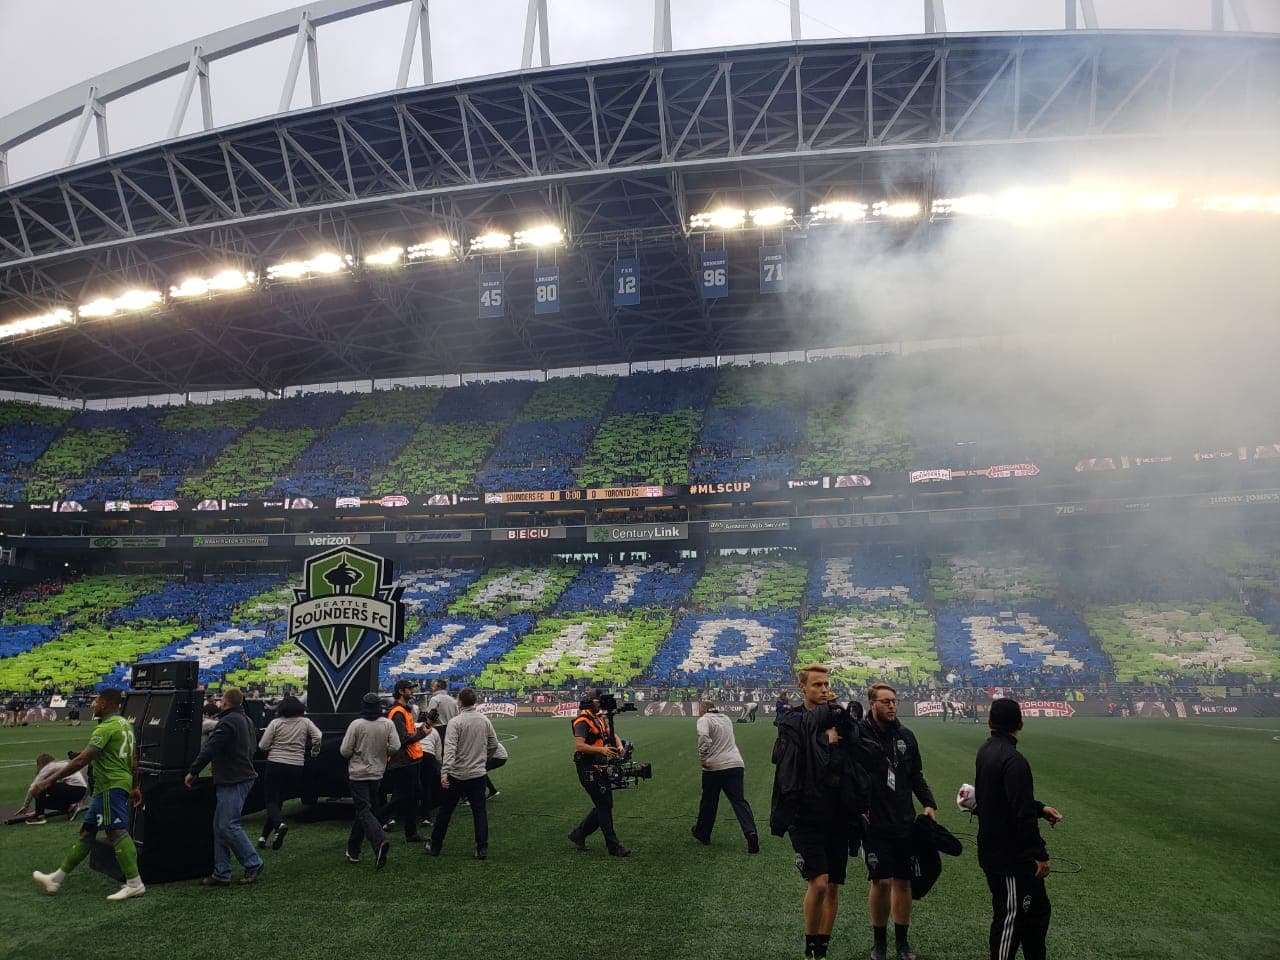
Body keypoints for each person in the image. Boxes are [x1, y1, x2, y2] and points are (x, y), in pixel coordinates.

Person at [771, 664, 867, 960]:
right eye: (816, 685)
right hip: (806, 814)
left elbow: (858, 751)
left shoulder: (837, 718)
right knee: (820, 882)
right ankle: (809, 942)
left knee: (834, 885)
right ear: (803, 688)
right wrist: (825, 739)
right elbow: (787, 756)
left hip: (839, 813)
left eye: (826, 684)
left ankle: (822, 947)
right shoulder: (793, 718)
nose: (823, 689)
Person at [31, 688, 146, 901]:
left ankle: (134, 882)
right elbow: (134, 759)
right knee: (87, 832)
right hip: (111, 785)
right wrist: (135, 786)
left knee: (116, 831)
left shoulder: (104, 729)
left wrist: (48, 780)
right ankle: (56, 878)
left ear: (107, 703)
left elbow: (81, 760)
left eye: (98, 702)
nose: (95, 705)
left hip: (110, 785)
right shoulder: (126, 725)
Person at [854, 682, 938, 960]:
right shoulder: (859, 735)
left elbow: (916, 775)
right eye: (885, 701)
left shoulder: (906, 736)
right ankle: (879, 943)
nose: (892, 705)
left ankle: (902, 943)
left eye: (894, 701)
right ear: (872, 704)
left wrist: (928, 803)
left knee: (904, 882)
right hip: (874, 822)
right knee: (881, 883)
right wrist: (859, 808)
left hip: (904, 820)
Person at [975, 698, 1063, 960]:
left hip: (993, 848)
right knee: (1010, 918)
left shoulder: (986, 751)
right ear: (1021, 724)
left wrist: (1040, 808)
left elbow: (1006, 798)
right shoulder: (1014, 760)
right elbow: (1021, 812)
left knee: (1038, 909)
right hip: (1008, 858)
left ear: (990, 722)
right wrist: (1040, 854)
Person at [184, 687, 265, 887]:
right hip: (241, 776)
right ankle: (222, 872)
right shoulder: (246, 720)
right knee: (220, 826)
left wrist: (193, 771)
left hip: (233, 779)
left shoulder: (227, 721)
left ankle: (252, 862)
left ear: (225, 703)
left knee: (228, 825)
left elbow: (210, 748)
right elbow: (252, 748)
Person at [427, 687, 500, 860]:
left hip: (457, 774)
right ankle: (482, 848)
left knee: (445, 811)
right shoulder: (484, 720)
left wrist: (445, 772)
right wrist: (484, 759)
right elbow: (494, 744)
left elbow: (450, 750)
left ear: (459, 702)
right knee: (479, 812)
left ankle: (435, 845)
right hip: (477, 774)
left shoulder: (455, 722)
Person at [566, 690, 630, 858]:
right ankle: (613, 846)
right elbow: (579, 746)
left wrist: (619, 745)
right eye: (598, 700)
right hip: (587, 767)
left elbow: (610, 733)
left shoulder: (599, 718)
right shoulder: (582, 721)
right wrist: (602, 749)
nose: (600, 703)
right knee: (604, 805)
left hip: (600, 765)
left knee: (605, 804)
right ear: (590, 701)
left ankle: (579, 834)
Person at [692, 699, 759, 853]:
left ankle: (703, 833)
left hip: (714, 766)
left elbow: (703, 737)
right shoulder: (726, 718)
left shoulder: (703, 720)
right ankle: (751, 832)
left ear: (703, 710)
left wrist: (703, 757)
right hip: (735, 764)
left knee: (709, 802)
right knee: (739, 801)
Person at [340, 692, 398, 869]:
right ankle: (353, 850)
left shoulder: (357, 724)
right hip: (377, 773)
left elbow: (344, 750)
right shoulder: (387, 723)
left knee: (364, 810)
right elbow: (395, 747)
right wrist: (383, 751)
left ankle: (379, 841)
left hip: (358, 773)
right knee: (364, 810)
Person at [256, 694, 322, 850]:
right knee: (278, 801)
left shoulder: (275, 723)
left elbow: (263, 746)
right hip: (296, 765)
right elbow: (318, 736)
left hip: (276, 763)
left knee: (271, 800)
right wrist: (314, 752)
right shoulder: (305, 722)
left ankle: (279, 825)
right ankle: (263, 837)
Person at [376, 679, 428, 843]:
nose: (412, 691)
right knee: (401, 798)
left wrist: (421, 730)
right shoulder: (398, 712)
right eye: (409, 689)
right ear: (401, 691)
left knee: (411, 797)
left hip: (411, 759)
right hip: (404, 761)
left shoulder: (404, 711)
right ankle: (371, 823)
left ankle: (410, 833)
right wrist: (422, 733)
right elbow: (402, 740)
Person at [16, 753, 88, 823]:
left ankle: (39, 817)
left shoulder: (49, 767)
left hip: (74, 789)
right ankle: (70, 808)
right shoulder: (60, 764)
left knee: (40, 787)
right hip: (80, 792)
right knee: (44, 801)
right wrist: (38, 808)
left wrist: (25, 806)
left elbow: (34, 787)